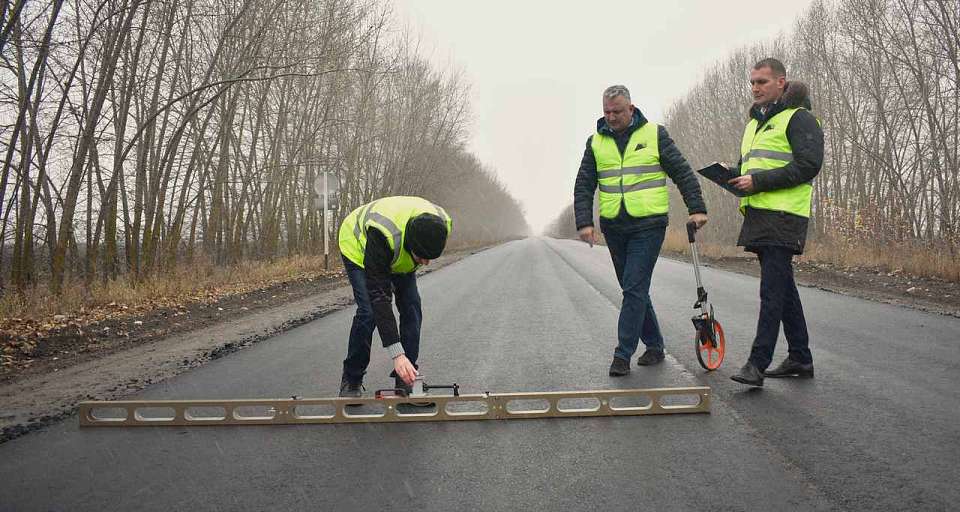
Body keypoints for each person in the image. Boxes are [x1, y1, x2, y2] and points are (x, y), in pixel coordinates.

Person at [574, 85, 708, 376]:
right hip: (614, 226)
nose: (611, 117)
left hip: (648, 225)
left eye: (617, 111)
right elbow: (584, 184)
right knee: (633, 288)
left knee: (634, 287)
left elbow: (682, 171)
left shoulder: (654, 135)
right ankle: (656, 346)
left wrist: (697, 208)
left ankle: (622, 354)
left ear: (631, 109)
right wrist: (584, 221)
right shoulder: (595, 143)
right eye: (607, 112)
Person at [727, 58, 824, 387]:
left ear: (781, 83)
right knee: (783, 289)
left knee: (771, 291)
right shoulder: (754, 124)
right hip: (759, 215)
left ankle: (757, 363)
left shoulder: (800, 119)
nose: (755, 87)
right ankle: (800, 357)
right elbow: (749, 167)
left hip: (784, 215)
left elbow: (809, 165)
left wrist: (758, 182)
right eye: (753, 82)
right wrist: (733, 177)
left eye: (762, 82)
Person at [336, 196, 452, 397]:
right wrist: (397, 354)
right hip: (359, 248)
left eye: (430, 258)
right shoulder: (383, 234)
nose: (425, 263)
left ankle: (406, 378)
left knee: (412, 306)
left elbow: (421, 254)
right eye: (422, 257)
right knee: (369, 313)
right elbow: (380, 297)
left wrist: (405, 359)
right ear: (410, 243)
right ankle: (352, 378)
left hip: (398, 253)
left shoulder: (441, 223)